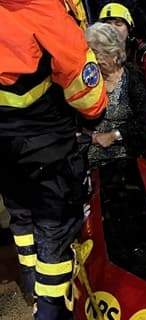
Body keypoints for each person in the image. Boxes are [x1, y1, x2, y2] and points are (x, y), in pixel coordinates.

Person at [0, 0, 107, 318]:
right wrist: (94, 116)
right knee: (53, 233)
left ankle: (31, 285)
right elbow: (87, 97)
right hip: (45, 143)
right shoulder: (45, 13)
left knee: (20, 215)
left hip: (3, 149)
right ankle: (49, 310)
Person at [84, 22, 146, 167]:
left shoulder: (132, 78)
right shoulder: (87, 79)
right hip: (88, 155)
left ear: (114, 53)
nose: (93, 59)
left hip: (127, 156)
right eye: (89, 53)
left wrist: (114, 135)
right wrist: (90, 137)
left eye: (97, 53)